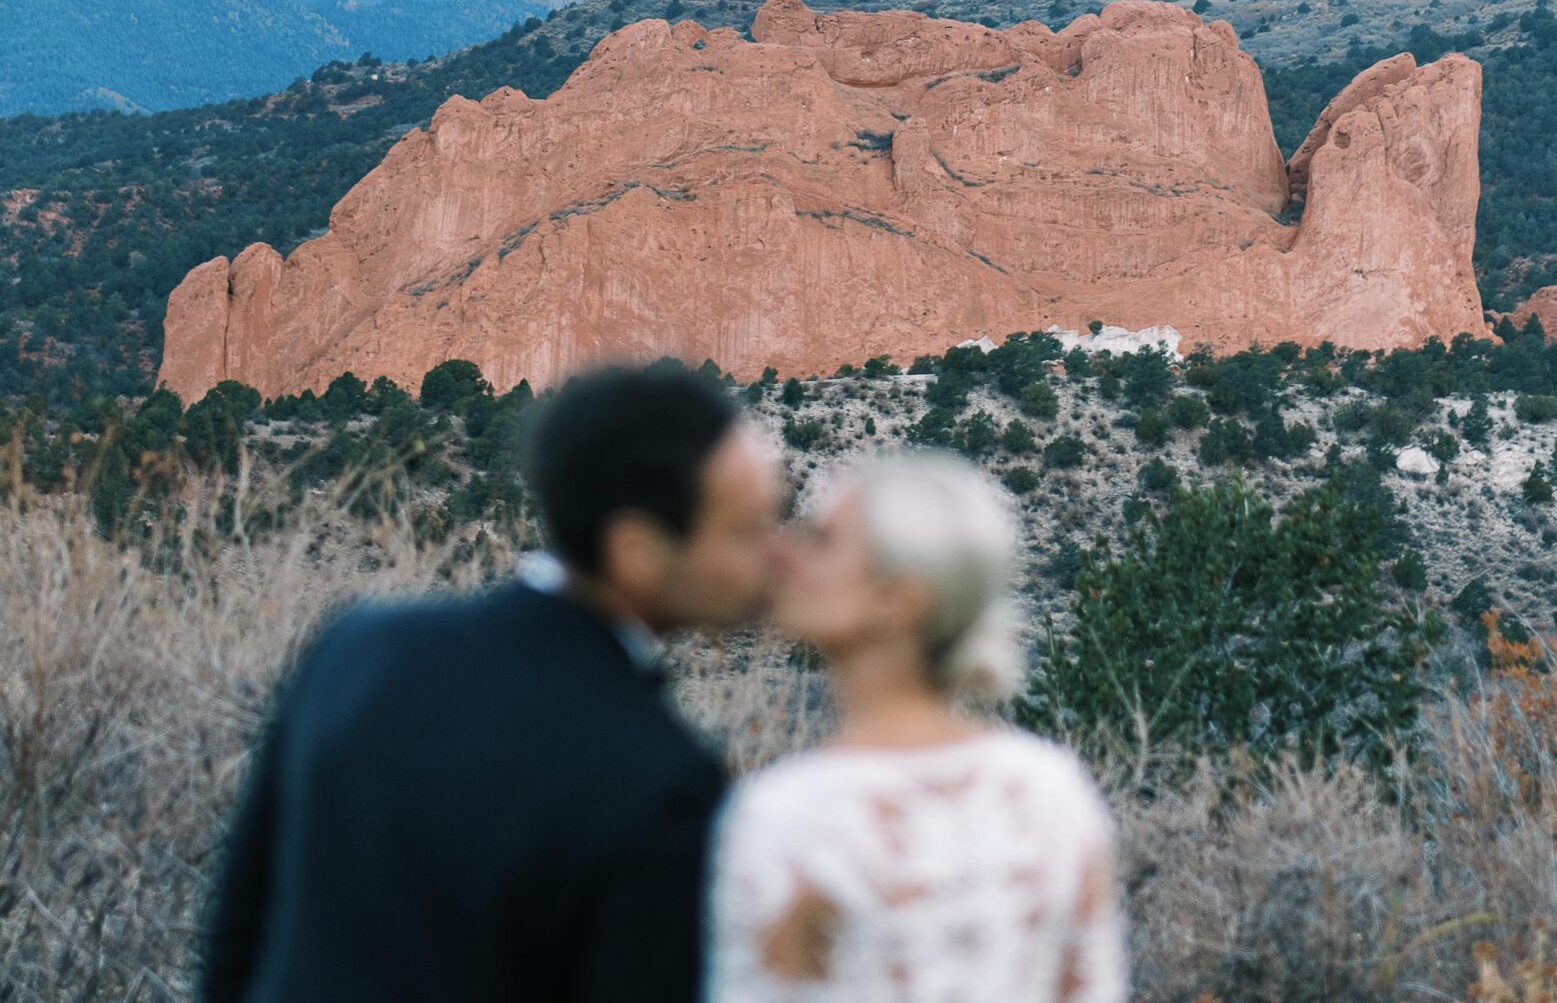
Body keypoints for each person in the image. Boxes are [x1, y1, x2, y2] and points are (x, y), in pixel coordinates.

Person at [200, 361, 781, 1003]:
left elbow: (234, 937)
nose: (774, 554)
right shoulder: (663, 780)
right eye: (746, 530)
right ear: (637, 550)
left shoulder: (358, 645)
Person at [709, 450, 1124, 1002]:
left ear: (899, 600)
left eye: (822, 540)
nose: (784, 554)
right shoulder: (1052, 789)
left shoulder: (787, 814)